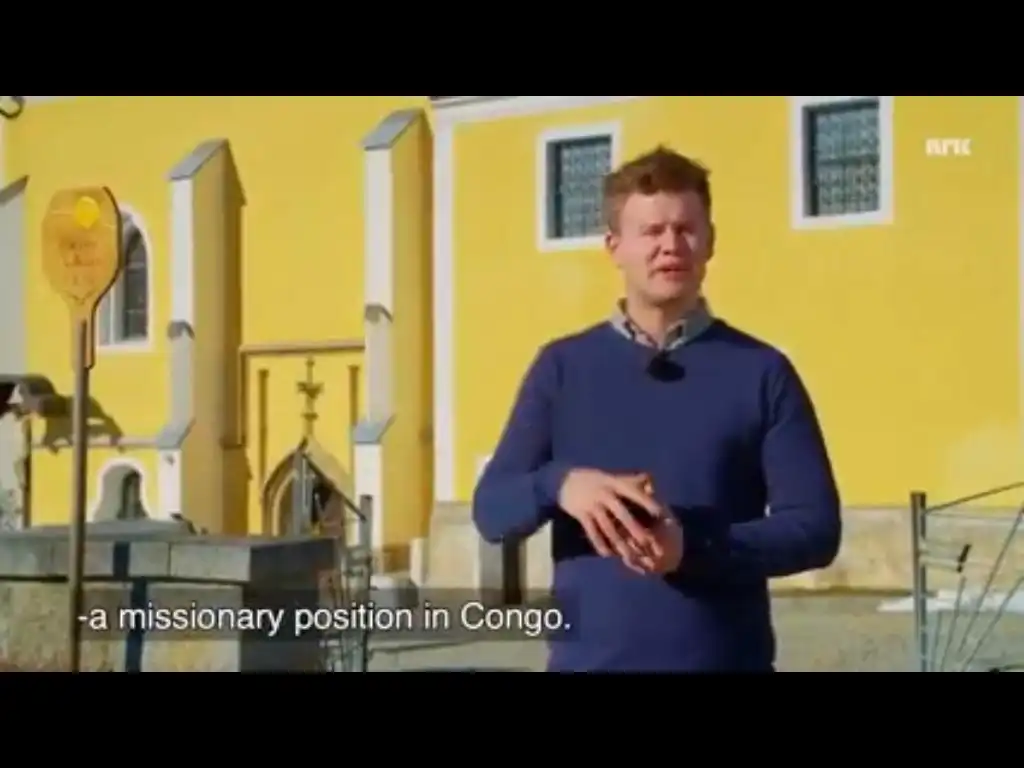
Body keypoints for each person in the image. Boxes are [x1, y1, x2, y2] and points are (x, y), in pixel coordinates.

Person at [472, 146, 841, 672]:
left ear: (710, 241)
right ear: (614, 246)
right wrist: (560, 484)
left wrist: (691, 546)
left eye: (685, 229)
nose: (671, 245)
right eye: (651, 231)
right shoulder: (561, 368)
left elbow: (815, 529)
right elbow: (492, 511)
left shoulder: (763, 372)